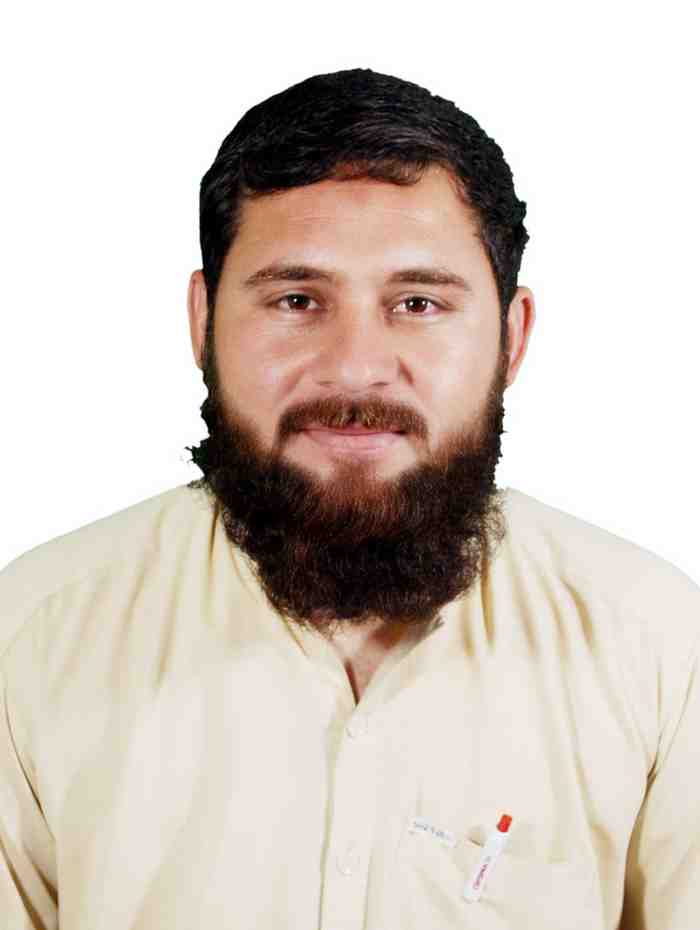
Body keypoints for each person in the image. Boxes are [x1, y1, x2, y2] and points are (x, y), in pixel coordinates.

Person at [1, 67, 698, 930]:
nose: (356, 367)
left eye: (418, 302)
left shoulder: (662, 652)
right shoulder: (28, 641)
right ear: (203, 321)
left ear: (512, 338)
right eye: (297, 300)